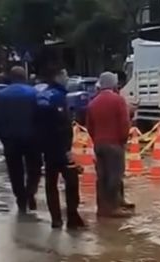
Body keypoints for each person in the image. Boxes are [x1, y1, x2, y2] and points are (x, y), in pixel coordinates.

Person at [36, 67, 85, 229]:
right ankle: (72, 218)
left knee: (51, 184)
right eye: (65, 75)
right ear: (57, 76)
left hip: (46, 148)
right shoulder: (58, 96)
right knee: (71, 182)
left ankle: (56, 219)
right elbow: (62, 125)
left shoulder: (42, 95)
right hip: (60, 148)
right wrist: (67, 150)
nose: (67, 78)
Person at [0, 66, 42, 214]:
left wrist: (2, 136)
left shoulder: (1, 96)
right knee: (35, 168)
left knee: (15, 171)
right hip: (32, 138)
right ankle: (30, 192)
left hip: (10, 139)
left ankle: (20, 198)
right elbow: (40, 116)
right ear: (25, 77)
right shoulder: (34, 93)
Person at [86, 72, 133, 218]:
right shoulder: (118, 100)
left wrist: (96, 140)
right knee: (115, 175)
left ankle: (103, 207)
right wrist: (123, 140)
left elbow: (89, 126)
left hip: (99, 144)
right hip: (114, 144)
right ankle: (112, 207)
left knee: (102, 176)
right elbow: (124, 123)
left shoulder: (93, 103)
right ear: (114, 84)